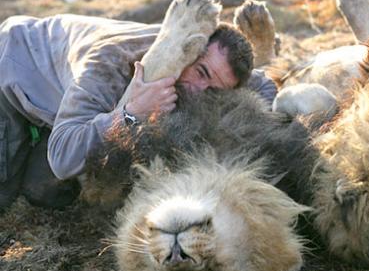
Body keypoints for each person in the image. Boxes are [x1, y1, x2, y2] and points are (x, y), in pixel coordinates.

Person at [0, 13, 277, 209]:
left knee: (50, 196)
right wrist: (132, 113)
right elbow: (62, 157)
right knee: (6, 196)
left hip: (64, 98)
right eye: (200, 72)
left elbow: (263, 84)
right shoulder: (110, 62)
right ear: (190, 49)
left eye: (213, 88)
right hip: (14, 67)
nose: (198, 90)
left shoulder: (215, 65)